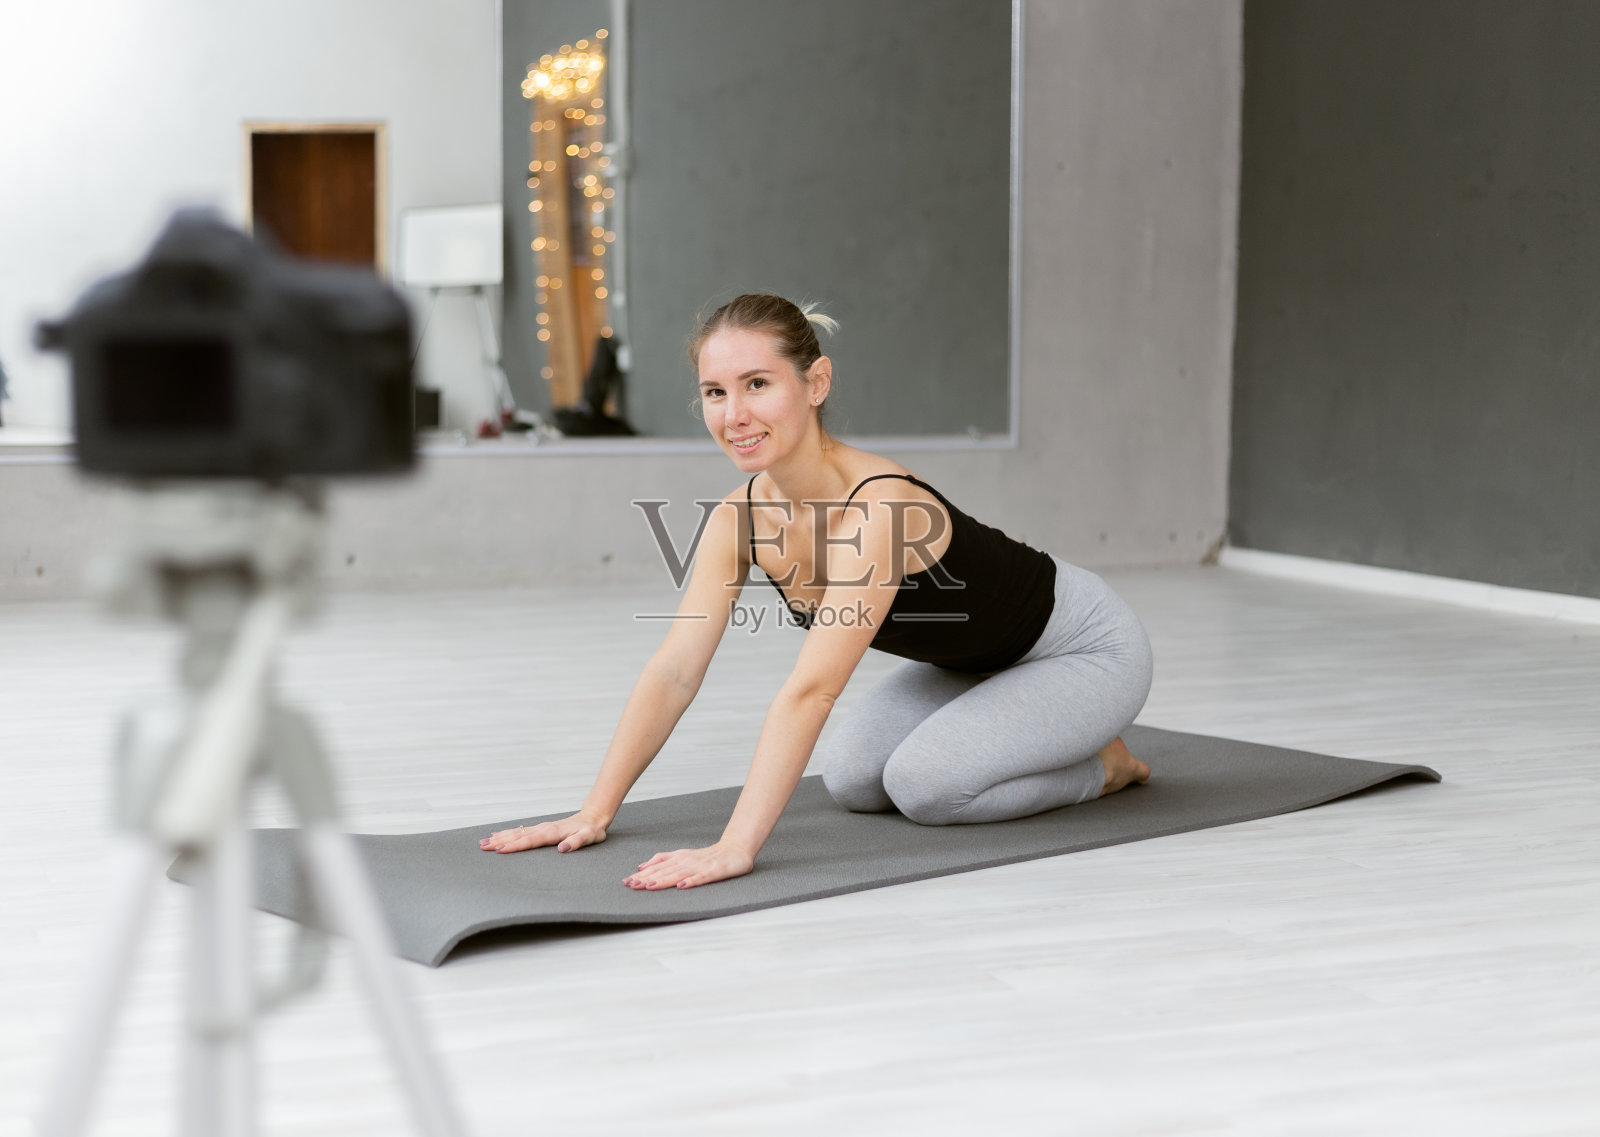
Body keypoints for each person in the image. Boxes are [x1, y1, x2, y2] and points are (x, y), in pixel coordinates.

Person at [480, 294, 1154, 890]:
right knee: (854, 778)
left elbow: (812, 691)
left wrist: (735, 847)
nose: (734, 414)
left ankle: (1106, 764)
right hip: (974, 664)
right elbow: (675, 668)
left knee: (925, 786)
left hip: (1084, 651)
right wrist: (595, 811)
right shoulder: (738, 518)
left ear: (816, 382)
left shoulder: (879, 507)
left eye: (757, 384)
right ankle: (1039, 733)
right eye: (714, 392)